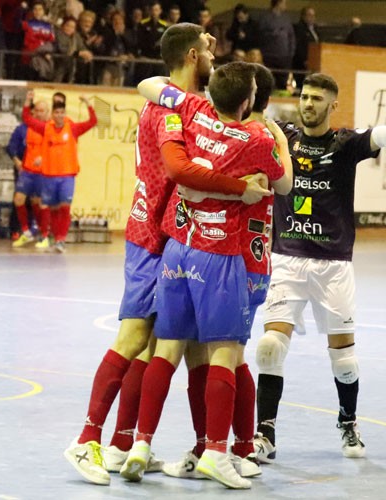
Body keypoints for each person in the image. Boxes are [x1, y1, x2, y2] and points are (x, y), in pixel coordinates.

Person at [62, 24, 269, 486]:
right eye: (211, 46)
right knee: (135, 336)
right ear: (193, 55)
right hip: (152, 236)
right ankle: (86, 439)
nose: (217, 51)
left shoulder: (182, 102)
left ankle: (124, 443)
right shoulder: (172, 108)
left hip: (175, 239)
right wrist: (242, 190)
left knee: (165, 344)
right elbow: (178, 168)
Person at [121, 60, 291, 490]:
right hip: (225, 257)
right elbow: (284, 184)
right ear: (251, 100)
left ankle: (141, 444)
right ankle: (223, 449)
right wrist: (281, 142)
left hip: (177, 249)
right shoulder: (257, 139)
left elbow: (148, 84)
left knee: (167, 347)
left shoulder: (192, 112)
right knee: (227, 353)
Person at [252, 53, 386, 462]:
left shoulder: (346, 144)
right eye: (305, 96)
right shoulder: (283, 136)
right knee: (270, 347)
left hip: (334, 265)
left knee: (344, 357)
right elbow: (238, 110)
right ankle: (265, 434)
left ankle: (348, 421)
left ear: (333, 105)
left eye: (317, 98)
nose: (308, 103)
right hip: (288, 258)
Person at [21, 91, 97, 253]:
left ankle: (61, 239)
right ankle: (52, 238)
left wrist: (88, 104)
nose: (59, 115)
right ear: (52, 114)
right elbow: (27, 119)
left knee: (65, 207)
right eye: (56, 112)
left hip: (67, 176)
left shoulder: (73, 129)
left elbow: (93, 122)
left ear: (65, 114)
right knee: (51, 209)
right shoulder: (46, 128)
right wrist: (28, 101)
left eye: (62, 112)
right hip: (49, 176)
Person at [7, 99, 49, 248]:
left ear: (47, 113)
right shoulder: (27, 127)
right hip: (27, 171)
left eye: (41, 111)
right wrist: (25, 101)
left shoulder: (50, 128)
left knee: (38, 203)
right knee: (18, 199)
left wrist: (44, 157)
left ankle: (44, 235)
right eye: (36, 110)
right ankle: (26, 232)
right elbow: (12, 147)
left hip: (43, 172)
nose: (38, 113)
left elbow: (57, 150)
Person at [256, 0, 294, 89]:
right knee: (267, 82)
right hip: (269, 55)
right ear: (278, 3)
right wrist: (275, 33)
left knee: (282, 82)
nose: (285, 5)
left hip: (284, 56)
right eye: (284, 3)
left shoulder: (286, 19)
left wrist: (290, 53)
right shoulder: (265, 18)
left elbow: (291, 37)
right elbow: (260, 35)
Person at [292, 6, 319, 88]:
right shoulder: (299, 29)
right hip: (302, 64)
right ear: (303, 16)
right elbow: (299, 46)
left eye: (313, 15)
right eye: (309, 15)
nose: (312, 18)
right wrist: (304, 60)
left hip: (314, 63)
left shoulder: (316, 30)